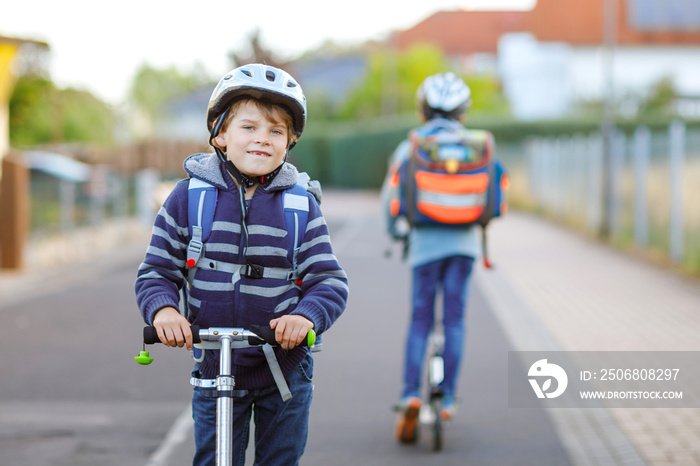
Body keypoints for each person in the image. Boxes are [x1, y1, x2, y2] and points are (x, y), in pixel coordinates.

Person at [135, 63, 348, 465]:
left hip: (284, 371)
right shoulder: (189, 199)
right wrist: (163, 309)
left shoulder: (299, 204)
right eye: (248, 128)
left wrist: (306, 317)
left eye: (276, 131)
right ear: (220, 134)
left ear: (290, 142)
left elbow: (328, 280)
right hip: (215, 366)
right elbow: (157, 270)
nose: (262, 140)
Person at [381, 72, 479, 443]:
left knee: (421, 319)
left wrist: (397, 232)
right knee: (454, 319)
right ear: (462, 112)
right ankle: (448, 397)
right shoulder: (475, 146)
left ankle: (411, 395)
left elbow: (389, 200)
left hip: (423, 246)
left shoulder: (412, 147)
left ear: (423, 111)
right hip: (464, 247)